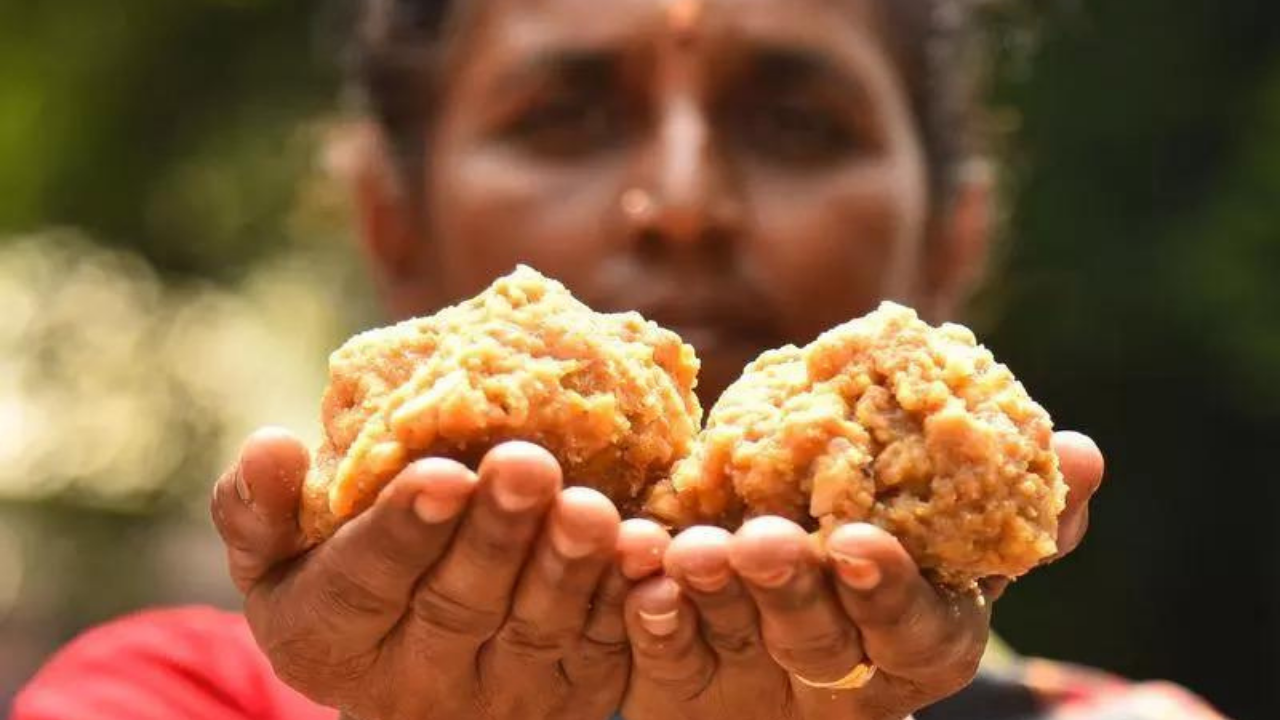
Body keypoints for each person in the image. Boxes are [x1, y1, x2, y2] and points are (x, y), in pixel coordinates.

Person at [10, 0, 1228, 718]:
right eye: (564, 117)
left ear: (956, 230)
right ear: (392, 219)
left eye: (797, 124)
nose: (683, 202)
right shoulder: (168, 693)